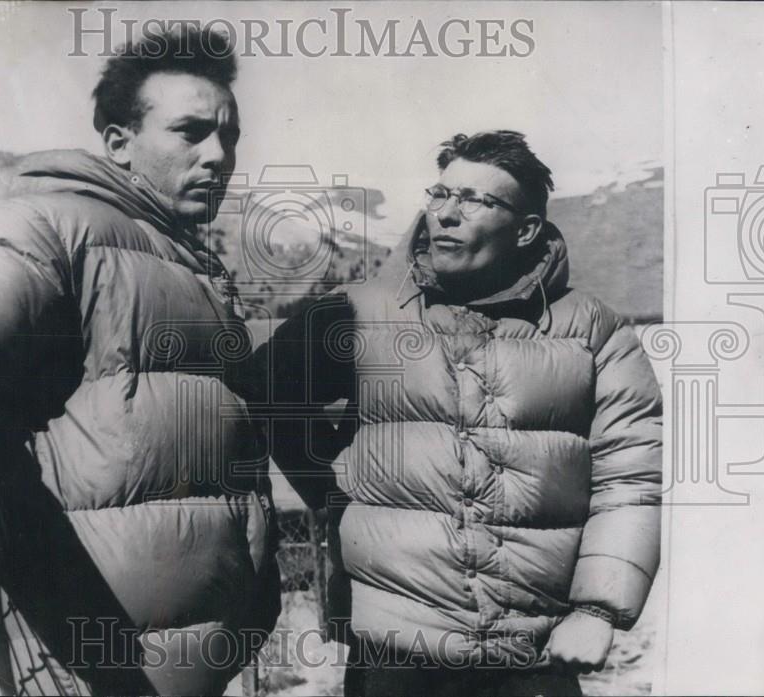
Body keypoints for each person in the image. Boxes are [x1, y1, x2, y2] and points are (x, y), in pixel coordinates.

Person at [0, 27, 279, 696]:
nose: (218, 155)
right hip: (86, 666)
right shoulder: (48, 224)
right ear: (119, 143)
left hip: (185, 664)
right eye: (190, 131)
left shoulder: (181, 256)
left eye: (228, 135)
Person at [257, 130, 662, 696]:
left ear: (525, 230)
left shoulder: (596, 333)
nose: (445, 214)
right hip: (394, 655)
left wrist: (599, 608)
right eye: (440, 194)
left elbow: (630, 479)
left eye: (474, 200)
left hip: (536, 652)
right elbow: (264, 392)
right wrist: (335, 490)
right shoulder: (359, 313)